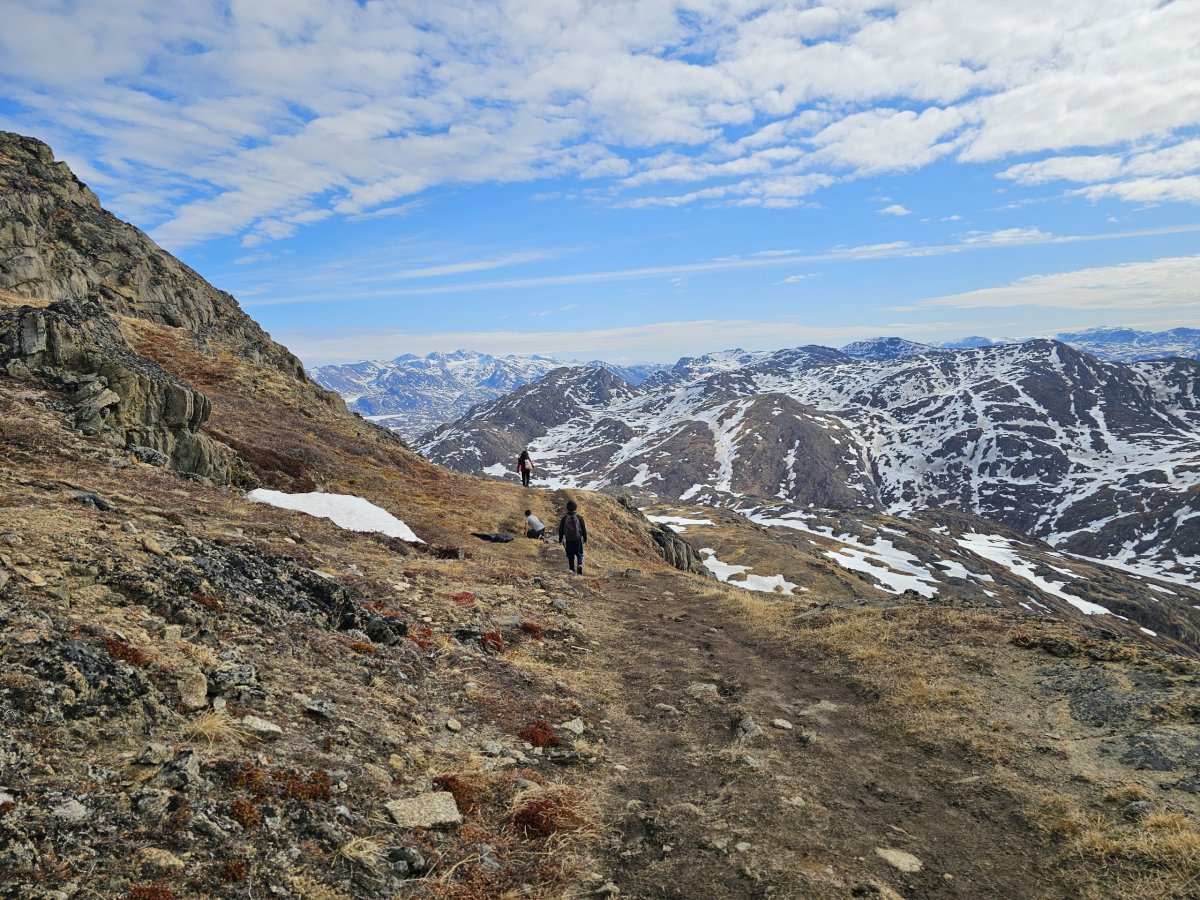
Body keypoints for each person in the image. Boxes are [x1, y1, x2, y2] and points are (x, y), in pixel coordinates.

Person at [557, 499, 587, 574]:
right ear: (575, 508)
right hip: (578, 539)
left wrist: (560, 540)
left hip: (569, 540)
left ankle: (572, 570)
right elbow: (583, 529)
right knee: (579, 553)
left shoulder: (564, 518)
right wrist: (585, 539)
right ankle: (579, 565)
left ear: (567, 508)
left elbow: (561, 529)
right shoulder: (579, 517)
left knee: (570, 556)